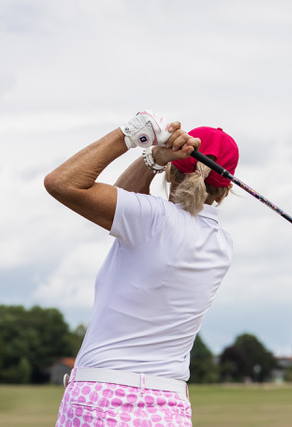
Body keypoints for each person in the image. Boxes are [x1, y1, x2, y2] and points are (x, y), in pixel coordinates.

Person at [44, 110, 239, 427]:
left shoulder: (151, 219)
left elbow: (62, 183)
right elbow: (127, 201)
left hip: (99, 397)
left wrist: (133, 138)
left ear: (172, 174)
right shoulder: (222, 244)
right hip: (170, 407)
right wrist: (157, 158)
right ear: (226, 188)